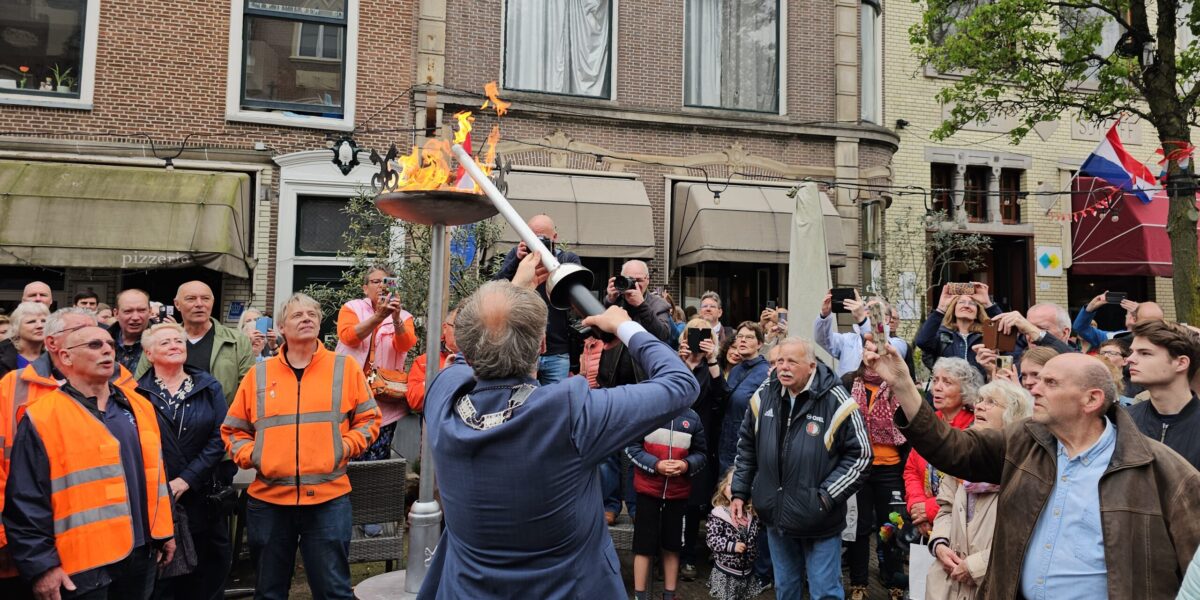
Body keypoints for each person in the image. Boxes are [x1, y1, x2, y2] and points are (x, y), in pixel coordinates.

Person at [416, 253, 700, 598]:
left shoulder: (443, 398)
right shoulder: (568, 413)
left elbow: (466, 355)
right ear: (541, 345)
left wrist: (515, 289)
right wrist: (624, 325)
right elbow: (680, 384)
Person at [863, 336, 1200, 598]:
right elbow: (954, 450)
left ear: (1092, 400)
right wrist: (904, 385)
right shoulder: (1024, 441)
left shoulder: (1165, 472)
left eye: (1050, 383)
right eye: (1038, 381)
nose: (1034, 389)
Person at [221, 293, 380, 600]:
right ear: (280, 327)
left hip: (328, 500)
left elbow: (370, 419)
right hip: (269, 502)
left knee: (333, 591)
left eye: (312, 314)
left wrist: (344, 446)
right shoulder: (259, 374)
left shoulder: (344, 368)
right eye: (297, 315)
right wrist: (253, 455)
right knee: (268, 592)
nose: (306, 319)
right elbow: (233, 430)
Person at [3, 324, 176, 600]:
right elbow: (25, 501)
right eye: (94, 345)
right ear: (66, 358)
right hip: (82, 565)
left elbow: (156, 475)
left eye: (110, 344)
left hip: (141, 554)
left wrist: (166, 531)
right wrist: (42, 567)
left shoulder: (138, 405)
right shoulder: (43, 416)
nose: (107, 349)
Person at [0, 308, 129, 599]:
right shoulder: (14, 386)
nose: (97, 342)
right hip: (33, 543)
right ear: (55, 345)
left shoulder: (123, 388)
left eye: (101, 337)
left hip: (109, 551)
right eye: (82, 335)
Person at [729, 337, 870, 600]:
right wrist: (740, 491)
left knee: (825, 592)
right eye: (779, 361)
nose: (783, 367)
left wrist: (825, 497)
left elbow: (861, 456)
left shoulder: (837, 399)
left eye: (792, 361)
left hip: (820, 519)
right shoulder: (764, 394)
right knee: (785, 590)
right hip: (776, 514)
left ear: (811, 366)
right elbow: (746, 446)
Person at [137, 323, 229, 600]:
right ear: (149, 353)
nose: (175, 345)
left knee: (205, 577)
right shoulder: (135, 392)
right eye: (165, 343)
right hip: (157, 498)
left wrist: (187, 479)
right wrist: (165, 483)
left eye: (179, 340)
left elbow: (221, 435)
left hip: (202, 494)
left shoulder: (208, 386)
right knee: (163, 581)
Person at [925, 379, 1033, 600]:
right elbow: (945, 508)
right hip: (946, 583)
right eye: (980, 400)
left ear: (1013, 415)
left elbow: (1025, 537)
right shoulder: (963, 457)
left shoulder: (1026, 468)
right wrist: (939, 544)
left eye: (991, 402)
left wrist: (975, 567)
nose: (980, 406)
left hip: (990, 585)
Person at [598, 259, 674, 525]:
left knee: (636, 452)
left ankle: (633, 505)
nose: (632, 285)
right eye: (627, 279)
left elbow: (663, 335)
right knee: (607, 451)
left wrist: (639, 304)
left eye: (638, 280)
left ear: (647, 281)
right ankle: (609, 505)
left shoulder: (657, 305)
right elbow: (598, 332)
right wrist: (609, 301)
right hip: (612, 384)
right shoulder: (614, 302)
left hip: (643, 387)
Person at [625, 401, 706, 600]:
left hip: (677, 494)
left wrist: (686, 465)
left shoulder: (692, 418)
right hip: (647, 492)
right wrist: (656, 464)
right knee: (643, 547)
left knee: (672, 546)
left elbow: (701, 454)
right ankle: (640, 596)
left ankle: (669, 595)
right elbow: (631, 447)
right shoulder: (647, 413)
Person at [843, 358, 909, 600]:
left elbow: (911, 423)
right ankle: (859, 583)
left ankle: (895, 582)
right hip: (859, 466)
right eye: (868, 354)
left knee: (891, 527)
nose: (872, 360)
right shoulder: (849, 381)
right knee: (859, 528)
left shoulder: (898, 384)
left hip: (890, 469)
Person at [491, 214, 582, 385]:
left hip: (557, 351)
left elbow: (576, 297)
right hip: (522, 349)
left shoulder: (567, 259)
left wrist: (555, 266)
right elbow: (496, 288)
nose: (538, 243)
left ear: (555, 237)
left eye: (543, 239)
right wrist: (516, 260)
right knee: (522, 401)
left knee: (556, 403)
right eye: (533, 237)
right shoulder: (518, 256)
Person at [335, 267, 417, 453]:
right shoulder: (352, 308)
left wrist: (396, 319)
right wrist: (378, 317)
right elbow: (348, 336)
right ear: (365, 288)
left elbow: (405, 345)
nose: (381, 286)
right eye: (375, 282)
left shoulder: (405, 317)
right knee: (347, 452)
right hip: (349, 396)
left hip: (384, 399)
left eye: (386, 282)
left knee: (377, 460)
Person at [138, 281, 253, 403]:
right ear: (177, 304)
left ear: (212, 303)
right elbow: (140, 384)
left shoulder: (237, 341)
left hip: (222, 418)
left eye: (205, 299)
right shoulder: (159, 338)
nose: (199, 304)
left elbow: (249, 388)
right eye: (191, 299)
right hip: (165, 418)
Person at [904, 358, 979, 540]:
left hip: (964, 526)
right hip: (927, 524)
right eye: (935, 379)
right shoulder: (929, 423)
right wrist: (917, 505)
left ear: (965, 390)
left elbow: (969, 484)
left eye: (947, 382)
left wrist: (929, 510)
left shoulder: (975, 428)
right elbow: (911, 470)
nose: (937, 387)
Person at [675, 319, 723, 582]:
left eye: (703, 334)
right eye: (692, 333)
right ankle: (669, 554)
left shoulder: (711, 367)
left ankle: (689, 557)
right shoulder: (674, 362)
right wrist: (681, 363)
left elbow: (721, 397)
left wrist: (712, 360)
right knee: (671, 502)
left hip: (701, 440)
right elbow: (669, 390)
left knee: (693, 504)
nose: (697, 339)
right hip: (673, 437)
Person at [1125, 320, 1200, 471]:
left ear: (1181, 363)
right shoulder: (1124, 421)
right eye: (1132, 351)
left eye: (1145, 353)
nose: (1130, 359)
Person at [715, 322, 770, 475]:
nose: (743, 340)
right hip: (725, 444)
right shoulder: (736, 369)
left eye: (749, 337)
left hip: (745, 447)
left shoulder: (765, 373)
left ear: (759, 344)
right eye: (740, 336)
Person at [915, 283, 1001, 377]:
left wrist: (987, 304)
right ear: (954, 310)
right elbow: (922, 341)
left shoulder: (986, 336)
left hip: (978, 389)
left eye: (972, 303)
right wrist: (941, 309)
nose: (966, 306)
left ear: (977, 312)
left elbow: (1006, 335)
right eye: (961, 302)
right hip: (947, 389)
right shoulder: (942, 335)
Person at [816, 292, 908, 377]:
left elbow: (882, 347)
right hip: (848, 393)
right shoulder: (848, 339)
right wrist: (824, 315)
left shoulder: (898, 343)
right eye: (867, 309)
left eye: (875, 310)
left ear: (887, 319)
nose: (869, 313)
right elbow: (822, 339)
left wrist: (862, 320)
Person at [707, 467, 764, 600]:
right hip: (725, 573)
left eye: (740, 484)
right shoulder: (718, 514)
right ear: (723, 487)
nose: (735, 488)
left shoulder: (751, 514)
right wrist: (732, 546)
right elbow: (712, 539)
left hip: (747, 572)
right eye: (730, 484)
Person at [405, 306, 458, 413]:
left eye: (467, 328)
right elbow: (414, 401)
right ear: (445, 328)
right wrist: (439, 377)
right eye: (457, 327)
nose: (462, 333)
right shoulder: (425, 361)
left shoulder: (479, 359)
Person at [1073, 292, 1164, 348]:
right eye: (1130, 313)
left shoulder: (1161, 337)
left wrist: (1141, 309)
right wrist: (1089, 310)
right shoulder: (1112, 337)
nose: (1133, 315)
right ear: (1125, 318)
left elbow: (1156, 324)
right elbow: (1080, 328)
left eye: (1135, 312)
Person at [0, 302, 49, 378]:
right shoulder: (2, 355)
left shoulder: (56, 357)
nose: (40, 326)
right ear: (16, 328)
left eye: (44, 321)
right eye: (31, 321)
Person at [111, 289, 153, 374]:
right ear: (116, 314)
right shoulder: (103, 341)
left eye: (141, 310)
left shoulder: (165, 341)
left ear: (150, 312)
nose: (135, 317)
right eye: (128, 311)